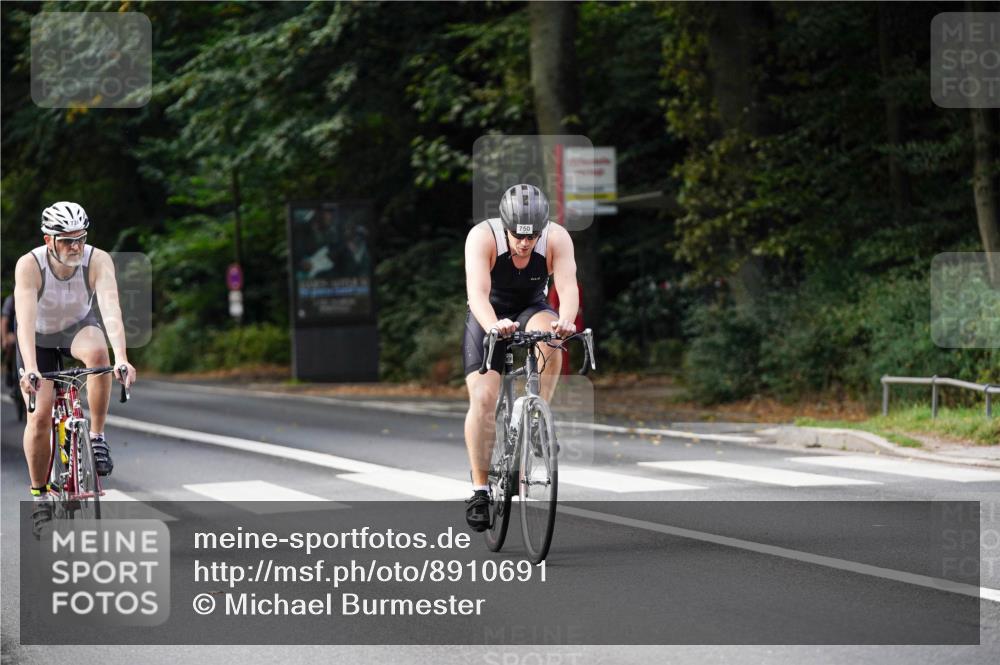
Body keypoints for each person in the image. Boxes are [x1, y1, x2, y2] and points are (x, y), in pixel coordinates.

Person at [462, 184, 579, 531]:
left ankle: (536, 419)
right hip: (489, 312)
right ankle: (480, 491)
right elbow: (477, 294)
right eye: (518, 236)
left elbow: (569, 286)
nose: (525, 243)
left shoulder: (557, 237)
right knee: (483, 398)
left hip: (532, 306)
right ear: (505, 225)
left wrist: (566, 320)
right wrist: (495, 325)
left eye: (533, 237)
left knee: (552, 339)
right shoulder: (482, 238)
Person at [14, 201, 137, 531]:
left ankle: (96, 435)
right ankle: (40, 495)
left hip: (77, 327)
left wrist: (122, 357)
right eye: (67, 240)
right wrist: (29, 369)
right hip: (38, 336)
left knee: (100, 357)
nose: (75, 246)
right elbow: (23, 323)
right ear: (48, 240)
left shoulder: (97, 260)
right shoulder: (29, 265)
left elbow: (110, 309)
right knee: (39, 416)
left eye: (80, 238)